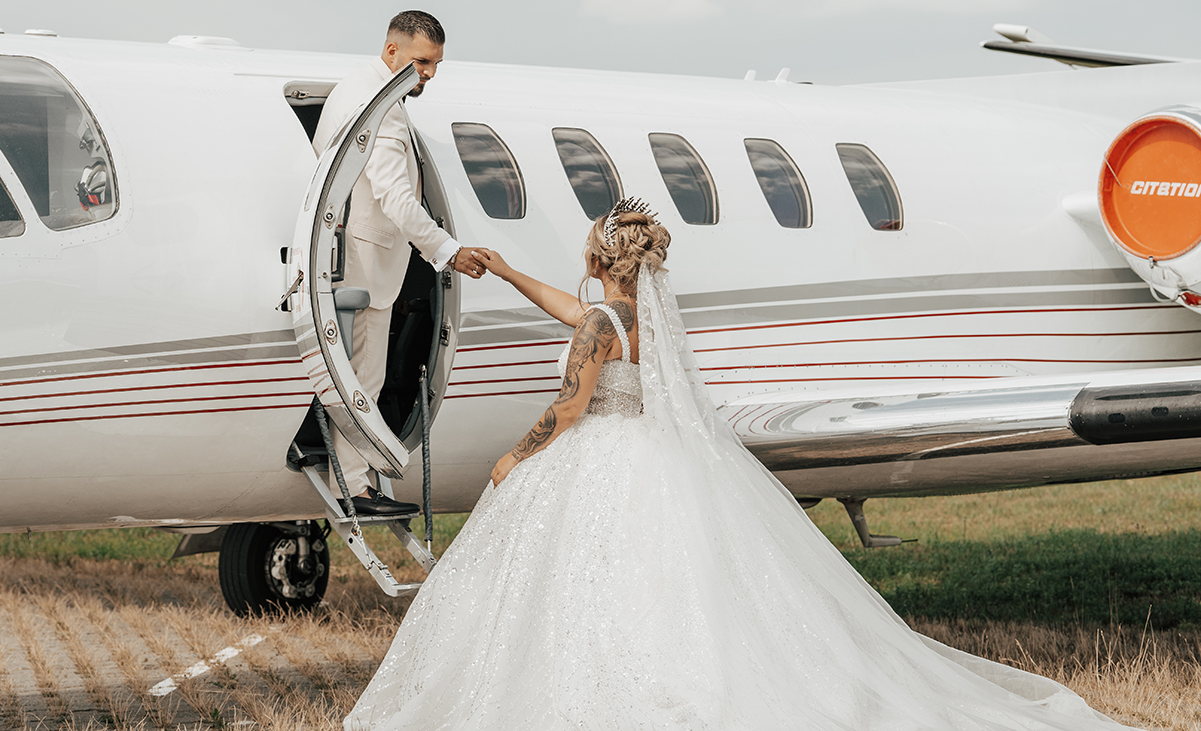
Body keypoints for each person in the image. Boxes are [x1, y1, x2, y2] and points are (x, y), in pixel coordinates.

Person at [346, 199, 1132, 730]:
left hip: (596, 451)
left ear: (599, 256)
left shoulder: (598, 327)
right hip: (648, 452)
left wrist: (513, 457)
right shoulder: (639, 319)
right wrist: (514, 275)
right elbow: (579, 315)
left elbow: (570, 408)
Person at [311, 10, 488, 517]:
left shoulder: (354, 88)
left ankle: (354, 478)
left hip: (347, 256)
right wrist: (449, 250)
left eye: (435, 63)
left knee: (354, 372)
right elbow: (396, 198)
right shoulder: (382, 109)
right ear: (393, 52)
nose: (429, 73)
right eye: (422, 61)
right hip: (366, 265)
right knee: (364, 377)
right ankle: (356, 487)